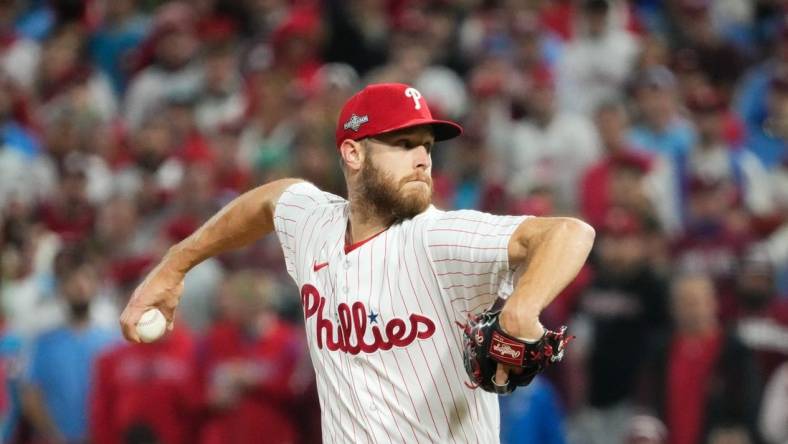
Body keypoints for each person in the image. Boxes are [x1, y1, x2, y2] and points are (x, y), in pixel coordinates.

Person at [119, 83, 596, 443]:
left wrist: (522, 309)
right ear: (353, 152)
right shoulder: (314, 225)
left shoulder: (440, 236)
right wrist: (174, 264)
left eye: (426, 146)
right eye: (403, 144)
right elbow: (268, 201)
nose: (422, 160)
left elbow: (569, 232)